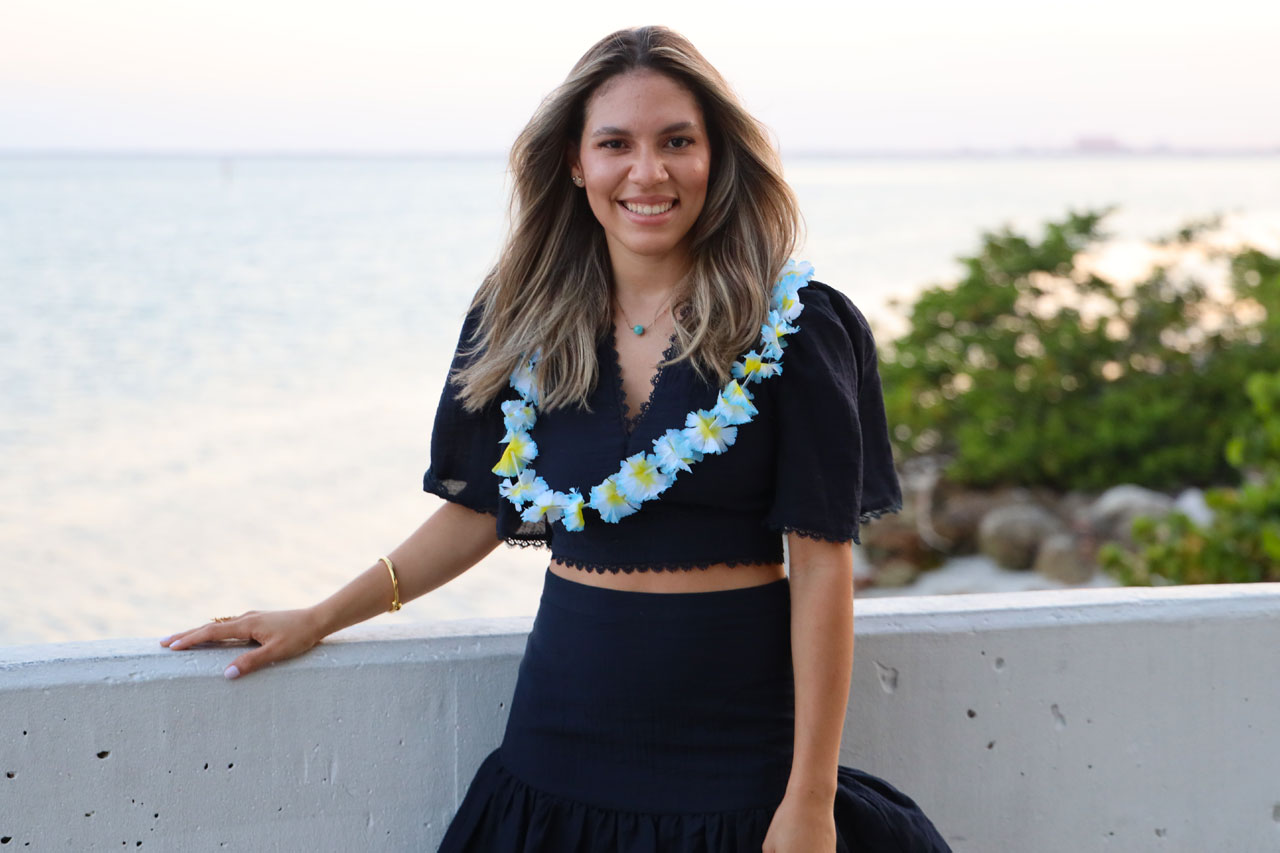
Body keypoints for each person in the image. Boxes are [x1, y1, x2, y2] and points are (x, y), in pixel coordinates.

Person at [162, 25, 951, 853]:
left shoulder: (796, 328)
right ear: (576, 162)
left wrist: (810, 799)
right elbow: (478, 513)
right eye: (616, 144)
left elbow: (822, 569)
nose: (647, 172)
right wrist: (319, 616)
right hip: (560, 751)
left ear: (716, 156)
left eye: (676, 141)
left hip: (739, 759)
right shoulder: (521, 321)